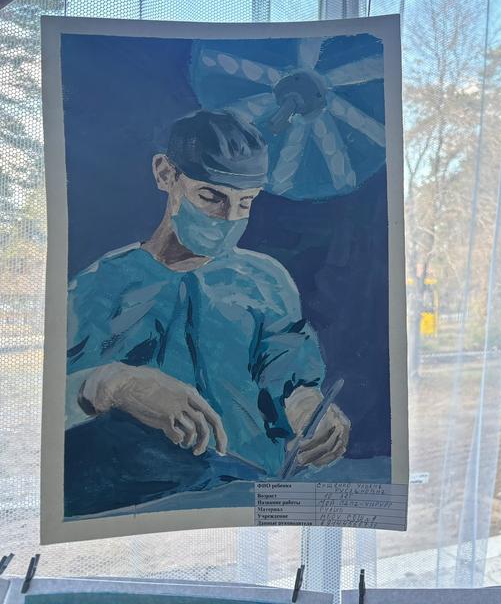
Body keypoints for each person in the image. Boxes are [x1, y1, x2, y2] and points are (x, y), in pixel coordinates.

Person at [63, 110, 351, 516]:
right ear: (166, 174)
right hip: (136, 500)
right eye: (211, 197)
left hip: (248, 488)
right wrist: (114, 383)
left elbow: (288, 371)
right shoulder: (99, 287)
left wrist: (308, 408)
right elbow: (48, 406)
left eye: (245, 202)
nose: (229, 218)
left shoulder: (265, 281)